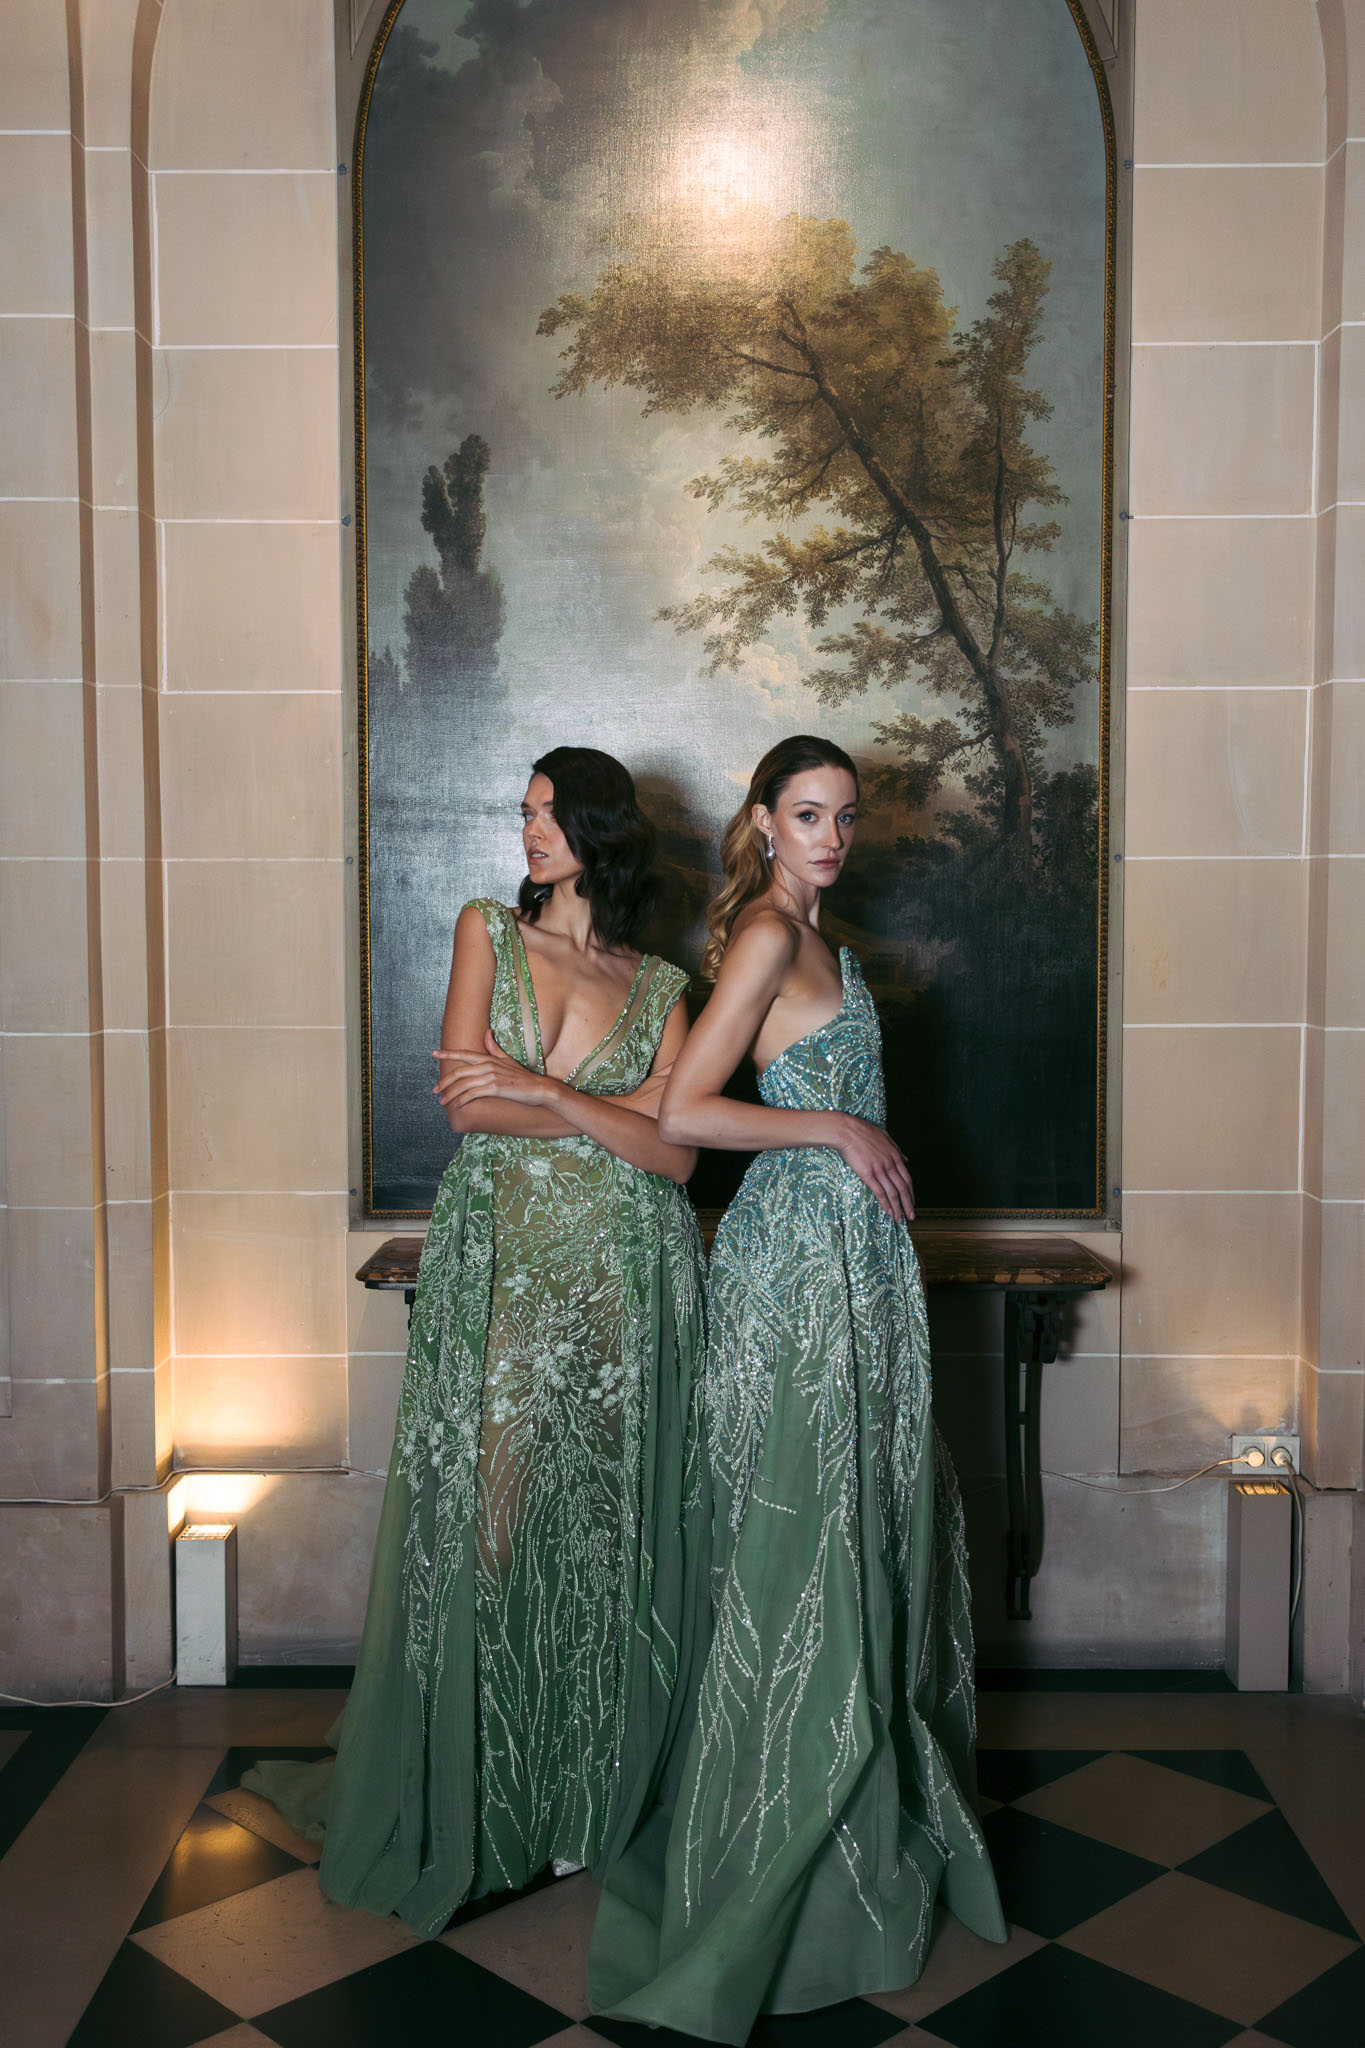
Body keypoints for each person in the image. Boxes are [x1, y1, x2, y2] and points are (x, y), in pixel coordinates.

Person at [246, 747, 708, 1936]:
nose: (529, 832)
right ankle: (481, 1794)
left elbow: (677, 1155)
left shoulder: (663, 984)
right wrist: (600, 1111)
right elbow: (464, 1099)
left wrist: (549, 1094)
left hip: (623, 1267)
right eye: (525, 813)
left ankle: (584, 1800)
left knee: (603, 1524)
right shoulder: (486, 933)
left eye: (548, 815)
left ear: (600, 829)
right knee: (490, 1523)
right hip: (500, 1258)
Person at [587, 734, 1004, 2043]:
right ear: (764, 822)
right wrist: (833, 1126)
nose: (829, 836)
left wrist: (857, 1153)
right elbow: (685, 1116)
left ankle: (854, 1832)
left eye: (844, 817)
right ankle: (776, 1841)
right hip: (793, 1267)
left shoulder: (824, 939)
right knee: (805, 1540)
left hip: (858, 1266)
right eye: (807, 814)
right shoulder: (768, 933)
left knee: (866, 1524)